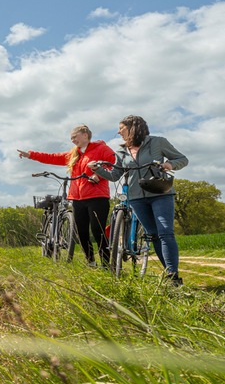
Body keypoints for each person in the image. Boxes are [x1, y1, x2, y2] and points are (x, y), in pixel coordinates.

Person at [90, 115, 189, 286]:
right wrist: (98, 169)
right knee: (153, 235)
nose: (119, 131)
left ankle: (173, 275)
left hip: (160, 194)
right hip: (136, 198)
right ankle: (169, 273)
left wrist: (169, 165)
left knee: (165, 232)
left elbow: (182, 159)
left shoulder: (157, 142)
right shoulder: (121, 151)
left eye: (121, 128)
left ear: (133, 127)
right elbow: (115, 175)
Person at [19, 124, 116, 267]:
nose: (72, 140)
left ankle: (107, 265)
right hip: (77, 198)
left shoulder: (102, 149)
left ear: (85, 134)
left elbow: (112, 164)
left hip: (97, 196)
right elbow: (52, 157)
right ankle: (91, 262)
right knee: (81, 232)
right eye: (71, 138)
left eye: (74, 137)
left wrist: (98, 175)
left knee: (97, 231)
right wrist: (31, 155)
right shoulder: (74, 154)